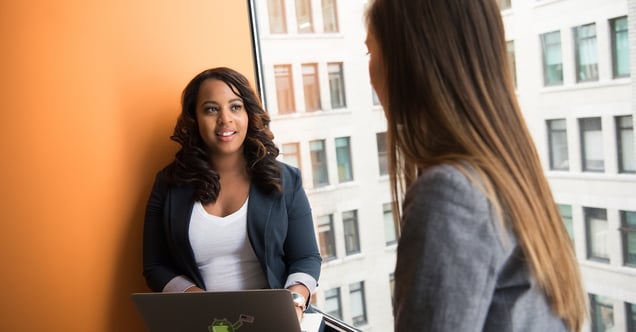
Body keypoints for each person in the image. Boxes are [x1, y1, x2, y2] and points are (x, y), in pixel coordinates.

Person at [365, 1, 587, 331]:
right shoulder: (506, 174)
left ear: (409, 60)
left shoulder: (449, 194)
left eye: (370, 51)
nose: (370, 74)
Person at [142, 67, 322, 322]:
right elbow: (155, 266)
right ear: (194, 118)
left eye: (235, 107)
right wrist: (196, 299)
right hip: (205, 324)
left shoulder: (286, 180)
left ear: (248, 113)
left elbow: (306, 257)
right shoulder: (168, 184)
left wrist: (294, 302)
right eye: (211, 109)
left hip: (274, 322)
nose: (225, 119)